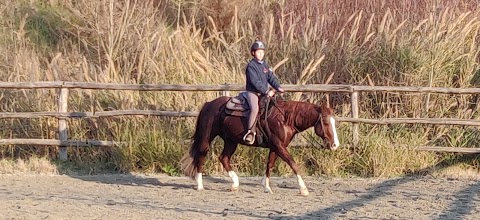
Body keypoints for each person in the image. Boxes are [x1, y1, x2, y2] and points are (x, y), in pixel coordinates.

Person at [243, 40, 285, 144]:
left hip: (264, 93)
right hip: (253, 93)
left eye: (262, 52)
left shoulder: (265, 65)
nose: (261, 54)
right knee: (255, 108)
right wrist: (266, 91)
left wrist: (278, 87)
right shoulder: (251, 66)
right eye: (258, 52)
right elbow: (255, 82)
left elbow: (271, 78)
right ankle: (250, 132)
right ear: (253, 53)